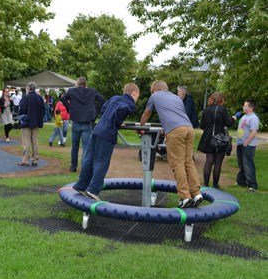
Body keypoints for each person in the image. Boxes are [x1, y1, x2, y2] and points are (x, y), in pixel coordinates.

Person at [140, 80, 202, 208]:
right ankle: (196, 193)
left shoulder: (154, 96)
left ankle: (185, 197)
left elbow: (147, 113)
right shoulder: (176, 98)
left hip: (175, 131)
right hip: (189, 129)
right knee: (188, 161)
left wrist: (140, 126)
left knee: (177, 163)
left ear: (154, 90)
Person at [72, 83, 139, 200]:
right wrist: (118, 121)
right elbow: (122, 110)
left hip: (97, 130)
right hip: (107, 134)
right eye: (137, 96)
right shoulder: (130, 102)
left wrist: (110, 117)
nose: (137, 99)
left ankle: (81, 185)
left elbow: (103, 108)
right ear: (134, 94)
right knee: (102, 161)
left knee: (90, 158)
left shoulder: (115, 98)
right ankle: (93, 190)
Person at [61, 77, 105, 172]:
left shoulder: (72, 91)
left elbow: (63, 98)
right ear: (86, 84)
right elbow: (102, 99)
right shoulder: (92, 91)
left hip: (76, 121)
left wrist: (69, 109)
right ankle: (84, 168)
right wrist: (95, 111)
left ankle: (73, 166)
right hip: (87, 122)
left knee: (75, 146)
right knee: (86, 147)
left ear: (77, 84)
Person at [197, 92, 236, 188]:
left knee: (209, 160)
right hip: (220, 138)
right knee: (218, 162)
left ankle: (205, 184)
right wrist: (233, 119)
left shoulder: (206, 109)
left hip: (208, 138)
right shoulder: (222, 109)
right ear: (221, 100)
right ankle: (215, 185)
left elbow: (201, 125)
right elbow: (227, 123)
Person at [17, 82, 45, 166]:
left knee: (26, 142)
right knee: (34, 141)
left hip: (27, 122)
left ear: (28, 89)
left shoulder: (25, 97)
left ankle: (25, 160)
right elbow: (43, 111)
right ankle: (35, 160)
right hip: (36, 122)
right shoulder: (39, 97)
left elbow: (22, 109)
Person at [235, 99, 259, 192]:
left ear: (251, 108)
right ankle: (241, 181)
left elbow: (253, 132)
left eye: (245, 106)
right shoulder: (245, 116)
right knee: (241, 164)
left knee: (248, 165)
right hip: (241, 144)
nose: (243, 107)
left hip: (248, 145)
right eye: (244, 105)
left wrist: (246, 142)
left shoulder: (253, 118)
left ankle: (253, 185)